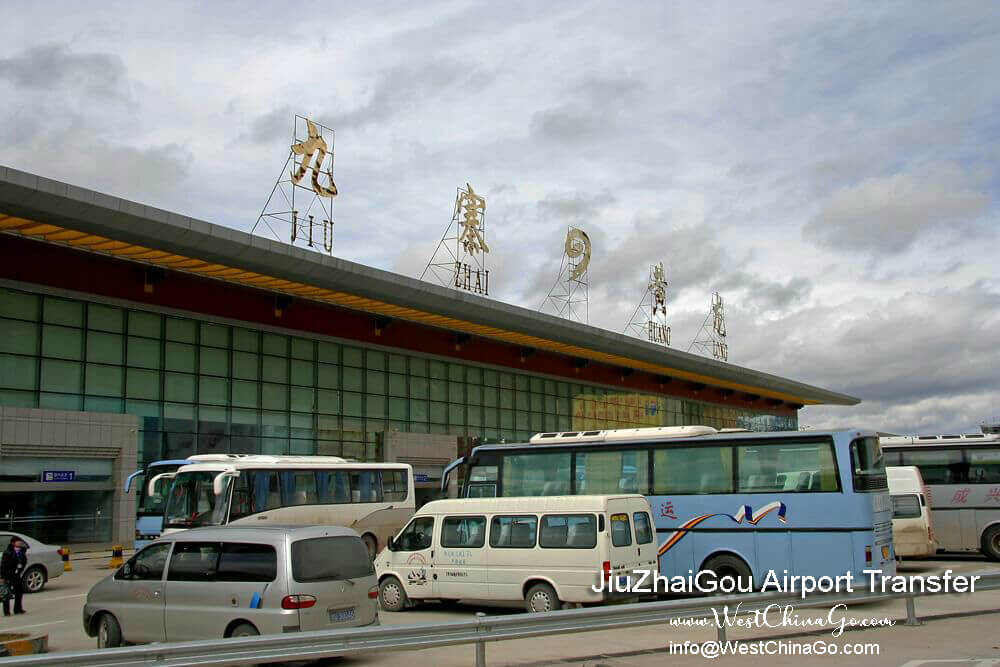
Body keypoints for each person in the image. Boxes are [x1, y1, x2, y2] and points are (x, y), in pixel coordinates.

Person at [1, 536, 27, 615]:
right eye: (18, 541)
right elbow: (3, 565)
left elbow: (24, 561)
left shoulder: (21, 551)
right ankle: (7, 611)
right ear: (13, 543)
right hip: (8, 575)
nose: (20, 543)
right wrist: (2, 577)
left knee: (19, 592)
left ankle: (18, 609)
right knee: (6, 593)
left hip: (17, 575)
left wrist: (20, 570)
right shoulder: (7, 552)